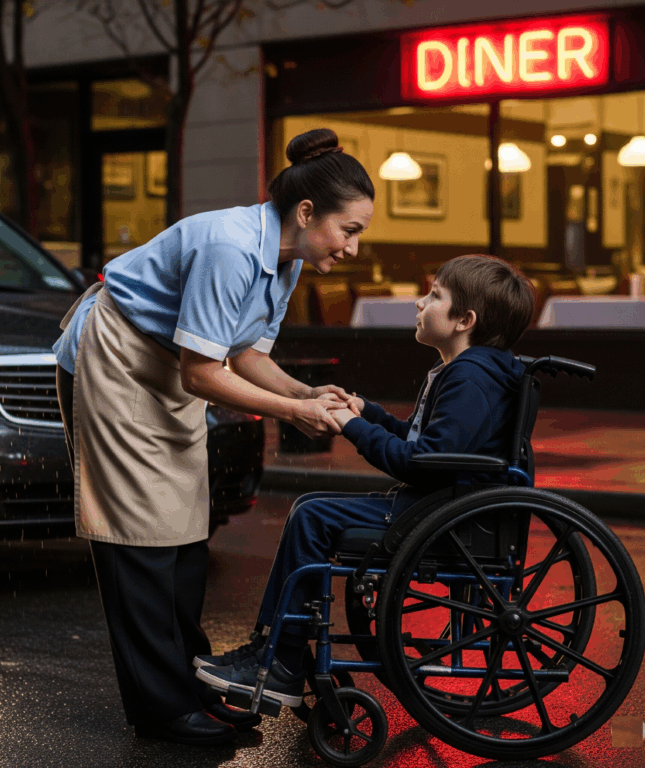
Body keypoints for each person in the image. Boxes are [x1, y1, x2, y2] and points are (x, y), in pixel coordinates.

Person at [53, 128, 374, 746]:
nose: (354, 248)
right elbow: (203, 371)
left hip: (170, 369)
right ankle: (161, 708)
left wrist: (302, 393)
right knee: (137, 537)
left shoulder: (288, 260)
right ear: (306, 213)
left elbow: (246, 353)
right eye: (350, 230)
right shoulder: (229, 246)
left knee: (184, 535)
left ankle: (194, 682)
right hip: (121, 358)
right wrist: (288, 410)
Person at [195, 254, 536, 707]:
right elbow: (425, 443)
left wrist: (349, 428)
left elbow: (419, 462)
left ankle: (282, 661)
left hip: (444, 515)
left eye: (435, 295)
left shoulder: (470, 378)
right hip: (442, 504)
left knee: (312, 514)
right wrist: (366, 412)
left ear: (463, 320)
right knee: (311, 507)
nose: (420, 302)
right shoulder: (469, 371)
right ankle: (275, 651)